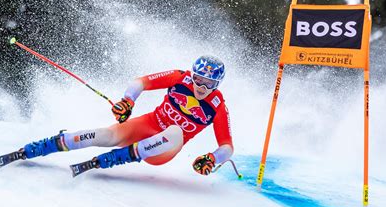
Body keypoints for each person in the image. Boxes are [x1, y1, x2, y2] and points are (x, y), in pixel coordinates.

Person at [20, 55, 233, 175]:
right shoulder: (180, 78)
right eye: (198, 79)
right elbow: (141, 81)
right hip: (148, 124)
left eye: (209, 83)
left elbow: (227, 147)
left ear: (217, 84)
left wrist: (212, 159)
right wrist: (128, 101)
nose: (202, 86)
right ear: (192, 75)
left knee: (176, 131)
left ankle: (119, 157)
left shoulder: (218, 106)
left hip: (162, 149)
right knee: (105, 136)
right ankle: (46, 145)